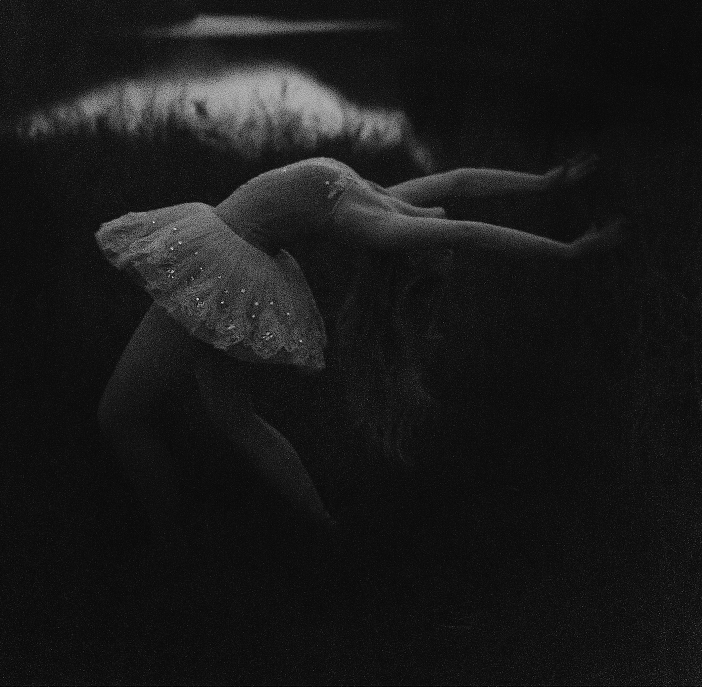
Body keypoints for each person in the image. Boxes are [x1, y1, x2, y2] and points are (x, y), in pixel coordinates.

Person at [96, 154, 624, 544]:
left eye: (432, 244)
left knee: (119, 412)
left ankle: (169, 541)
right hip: (226, 256)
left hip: (217, 261)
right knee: (235, 417)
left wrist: (569, 252)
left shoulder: (380, 223)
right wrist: (545, 179)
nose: (435, 219)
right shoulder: (385, 195)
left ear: (418, 252)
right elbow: (464, 182)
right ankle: (324, 531)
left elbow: (471, 232)